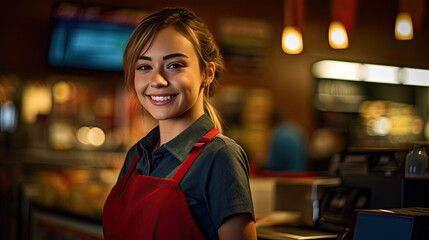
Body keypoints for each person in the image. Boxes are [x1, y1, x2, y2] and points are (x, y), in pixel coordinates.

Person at [102, 7, 257, 240]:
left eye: (174, 65)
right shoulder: (136, 155)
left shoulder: (220, 157)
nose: (157, 80)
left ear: (207, 73)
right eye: (144, 67)